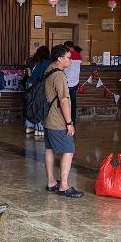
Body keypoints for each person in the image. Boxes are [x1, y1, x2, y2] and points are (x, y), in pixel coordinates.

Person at [43, 44, 83, 198]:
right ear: (60, 58)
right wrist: (69, 123)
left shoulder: (48, 70)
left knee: (49, 148)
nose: (71, 60)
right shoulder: (59, 75)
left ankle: (51, 182)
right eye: (68, 57)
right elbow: (64, 100)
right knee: (69, 149)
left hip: (47, 117)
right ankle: (64, 186)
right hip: (57, 119)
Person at [25, 46, 51, 139]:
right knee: (39, 106)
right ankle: (39, 129)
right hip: (39, 86)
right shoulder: (47, 63)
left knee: (29, 105)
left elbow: (29, 74)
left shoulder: (32, 61)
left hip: (30, 84)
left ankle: (29, 127)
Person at [63, 41, 82, 124]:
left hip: (66, 82)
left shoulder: (67, 55)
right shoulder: (79, 56)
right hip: (75, 82)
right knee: (73, 103)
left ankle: (66, 120)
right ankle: (72, 120)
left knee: (65, 102)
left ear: (67, 47)